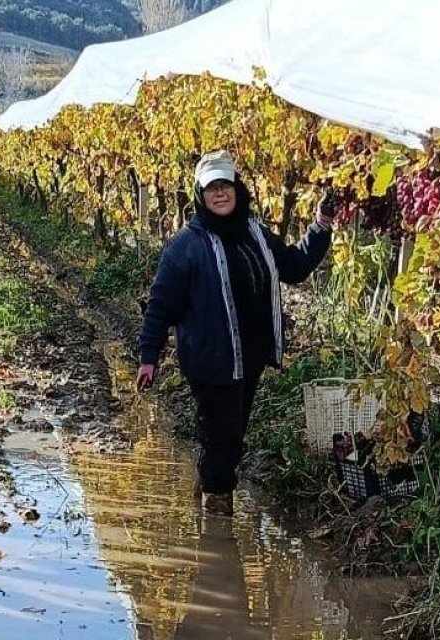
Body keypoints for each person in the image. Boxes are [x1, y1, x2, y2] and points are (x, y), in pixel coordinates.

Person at [137, 150, 334, 515]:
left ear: (237, 188)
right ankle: (216, 516)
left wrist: (320, 226)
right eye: (212, 188)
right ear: (201, 195)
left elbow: (294, 267)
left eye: (225, 185)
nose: (220, 194)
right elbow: (161, 305)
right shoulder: (186, 247)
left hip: (250, 356)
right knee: (223, 436)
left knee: (231, 433)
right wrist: (149, 357)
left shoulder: (256, 234)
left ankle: (209, 483)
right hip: (210, 360)